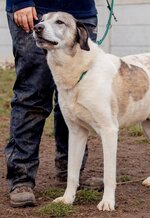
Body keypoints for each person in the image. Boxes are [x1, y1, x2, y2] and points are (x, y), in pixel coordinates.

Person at [5, 0, 99, 208]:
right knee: (32, 96)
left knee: (76, 99)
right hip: (36, 11)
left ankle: (71, 174)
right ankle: (21, 179)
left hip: (82, 13)